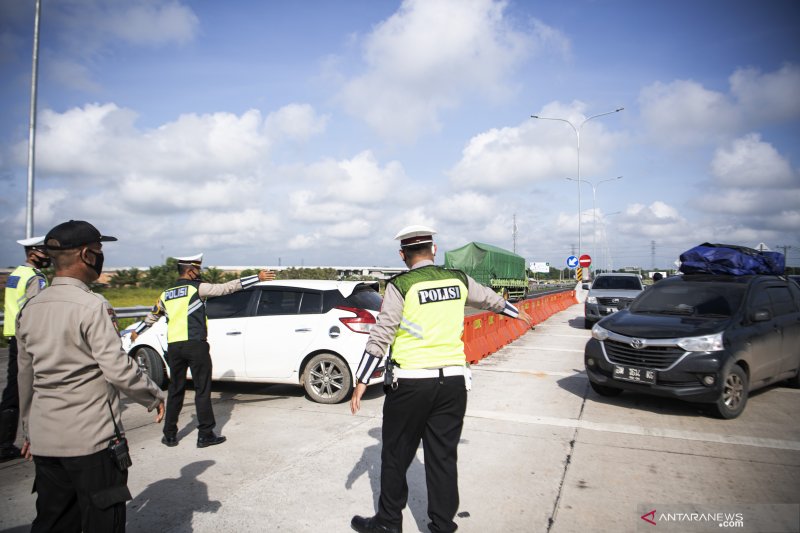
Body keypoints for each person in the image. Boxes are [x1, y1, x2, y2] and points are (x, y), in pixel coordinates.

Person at [350, 225, 533, 533]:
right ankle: (442, 527)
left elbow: (382, 334)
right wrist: (517, 313)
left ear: (402, 255)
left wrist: (363, 380)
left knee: (395, 456)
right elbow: (491, 300)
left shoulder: (401, 285)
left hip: (410, 384)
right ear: (434, 250)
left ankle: (389, 523)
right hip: (452, 383)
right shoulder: (458, 279)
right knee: (443, 459)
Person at [16, 220, 165, 532]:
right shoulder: (92, 305)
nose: (100, 258)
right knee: (102, 522)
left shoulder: (30, 307)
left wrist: (29, 430)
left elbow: (25, 376)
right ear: (86, 255)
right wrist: (153, 396)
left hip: (45, 442)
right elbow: (117, 368)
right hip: (92, 442)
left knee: (53, 520)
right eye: (99, 251)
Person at [133, 254, 275, 448]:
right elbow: (227, 288)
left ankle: (169, 435)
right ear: (190, 270)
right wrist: (256, 278)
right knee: (202, 389)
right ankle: (205, 434)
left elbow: (152, 316)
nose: (199, 273)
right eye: (198, 269)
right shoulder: (197, 288)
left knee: (176, 390)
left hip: (174, 347)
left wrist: (136, 332)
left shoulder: (166, 294)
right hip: (195, 345)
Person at [1, 236, 49, 462]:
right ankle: (8, 442)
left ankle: (5, 440)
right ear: (33, 253)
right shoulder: (34, 277)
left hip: (13, 336)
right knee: (27, 387)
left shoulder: (16, 274)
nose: (47, 256)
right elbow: (37, 310)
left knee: (13, 387)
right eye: (43, 251)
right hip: (28, 339)